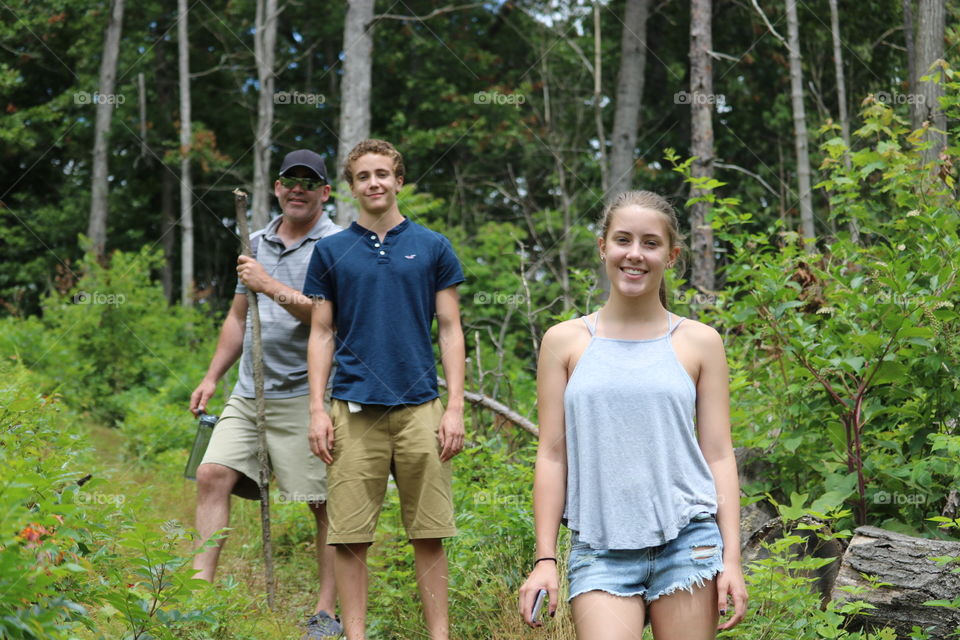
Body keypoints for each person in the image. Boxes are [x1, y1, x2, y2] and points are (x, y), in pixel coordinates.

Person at [518, 191, 748, 639]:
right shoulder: (564, 342)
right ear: (603, 247)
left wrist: (733, 561)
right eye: (623, 240)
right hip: (599, 548)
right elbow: (551, 454)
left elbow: (719, 454)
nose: (635, 254)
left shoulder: (700, 342)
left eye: (650, 243)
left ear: (671, 256)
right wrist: (545, 558)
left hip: (689, 544)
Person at [302, 139, 466, 640]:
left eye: (382, 174)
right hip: (352, 409)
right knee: (350, 536)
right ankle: (355, 635)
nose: (373, 183)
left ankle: (439, 636)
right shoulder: (330, 251)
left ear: (398, 180)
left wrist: (455, 407)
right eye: (363, 176)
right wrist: (317, 410)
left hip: (421, 408)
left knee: (430, 531)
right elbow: (321, 333)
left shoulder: (433, 246)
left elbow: (450, 328)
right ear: (350, 188)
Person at [189, 149, 344, 639]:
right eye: (289, 180)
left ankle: (325, 614)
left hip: (308, 392)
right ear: (277, 187)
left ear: (325, 192)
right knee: (212, 474)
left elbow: (328, 318)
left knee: (321, 501)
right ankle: (196, 601)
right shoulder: (254, 240)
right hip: (249, 390)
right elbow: (238, 318)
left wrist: (269, 283)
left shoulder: (337, 244)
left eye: (309, 182)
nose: (297, 189)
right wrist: (212, 377)